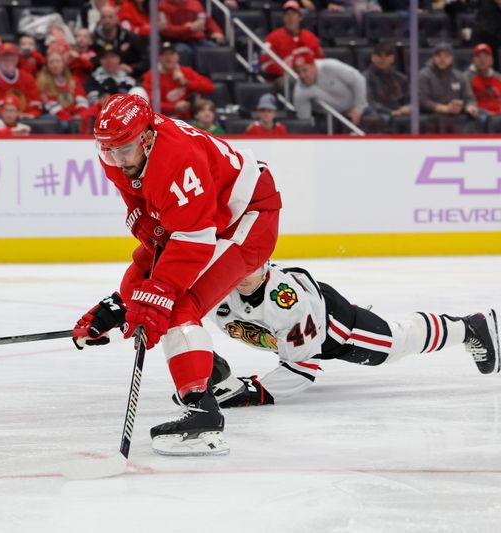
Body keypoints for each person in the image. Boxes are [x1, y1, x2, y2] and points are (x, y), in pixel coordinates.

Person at [73, 94, 282, 456]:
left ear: (147, 137)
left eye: (123, 150)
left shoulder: (177, 158)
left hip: (246, 218)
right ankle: (213, 374)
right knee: (145, 289)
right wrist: (121, 305)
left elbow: (192, 243)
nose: (117, 161)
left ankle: (202, 415)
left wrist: (153, 300)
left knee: (175, 306)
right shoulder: (120, 152)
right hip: (202, 219)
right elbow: (144, 211)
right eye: (108, 151)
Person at [199, 262, 499, 409]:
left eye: (251, 268)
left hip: (337, 329)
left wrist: (256, 391)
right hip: (308, 326)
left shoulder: (285, 301)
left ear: (265, 263)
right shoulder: (218, 287)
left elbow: (301, 368)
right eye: (238, 267)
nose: (242, 277)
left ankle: (470, 327)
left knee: (394, 343)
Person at [291, 49, 368, 127]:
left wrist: (358, 109)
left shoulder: (330, 66)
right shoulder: (300, 92)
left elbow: (359, 80)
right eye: (298, 72)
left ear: (314, 65)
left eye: (305, 70)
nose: (302, 75)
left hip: (358, 108)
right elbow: (305, 124)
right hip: (330, 118)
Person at [419, 42, 480, 134]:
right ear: (433, 58)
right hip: (432, 117)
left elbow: (469, 98)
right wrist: (445, 108)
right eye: (439, 56)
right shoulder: (424, 75)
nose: (442, 59)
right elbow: (423, 101)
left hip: (457, 117)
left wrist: (470, 106)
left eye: (446, 56)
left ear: (452, 58)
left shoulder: (460, 76)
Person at [142, 42, 213, 119]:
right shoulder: (151, 76)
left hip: (186, 120)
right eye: (164, 54)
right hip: (162, 119)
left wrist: (187, 83)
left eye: (172, 54)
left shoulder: (186, 71)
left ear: (177, 56)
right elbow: (151, 102)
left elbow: (209, 87)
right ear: (159, 58)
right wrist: (174, 107)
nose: (168, 57)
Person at [261, 1, 324, 79]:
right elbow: (265, 64)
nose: (290, 17)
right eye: (287, 14)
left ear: (300, 17)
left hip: (309, 77)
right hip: (284, 78)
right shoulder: (272, 38)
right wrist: (290, 71)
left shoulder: (311, 37)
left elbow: (320, 61)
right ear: (283, 18)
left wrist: (306, 71)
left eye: (294, 14)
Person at [0, 43, 43, 118]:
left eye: (11, 57)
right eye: (4, 57)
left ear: (17, 58)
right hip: (2, 119)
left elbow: (36, 103)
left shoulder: (27, 77)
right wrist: (13, 116)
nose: (8, 60)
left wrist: (31, 115)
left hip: (26, 118)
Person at [91, 5, 148, 78]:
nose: (107, 20)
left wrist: (133, 69)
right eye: (103, 17)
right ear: (100, 20)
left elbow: (146, 60)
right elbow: (92, 61)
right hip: (101, 77)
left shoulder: (130, 37)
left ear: (116, 19)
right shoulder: (94, 39)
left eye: (110, 17)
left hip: (130, 77)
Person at [37, 50, 89, 127]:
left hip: (75, 117)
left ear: (63, 64)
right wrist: (70, 120)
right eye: (51, 62)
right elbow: (51, 105)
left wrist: (79, 116)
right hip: (59, 120)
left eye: (58, 61)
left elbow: (81, 100)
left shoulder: (74, 81)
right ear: (47, 66)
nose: (55, 65)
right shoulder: (43, 84)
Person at [157, 0, 225, 59]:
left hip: (197, 40)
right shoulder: (163, 6)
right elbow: (166, 30)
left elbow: (208, 20)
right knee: (184, 51)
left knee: (212, 47)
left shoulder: (194, 3)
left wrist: (216, 31)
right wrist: (188, 28)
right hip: (176, 41)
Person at [362, 41, 409, 125]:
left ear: (392, 58)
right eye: (379, 56)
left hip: (400, 112)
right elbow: (369, 102)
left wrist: (409, 107)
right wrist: (391, 112)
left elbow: (409, 98)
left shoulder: (401, 78)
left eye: (387, 56)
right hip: (379, 114)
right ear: (373, 57)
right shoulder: (364, 77)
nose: (383, 59)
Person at [467, 43, 501, 116]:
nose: (482, 60)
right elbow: (468, 102)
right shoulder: (466, 78)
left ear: (492, 60)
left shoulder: (499, 77)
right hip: (480, 117)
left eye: (486, 56)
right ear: (473, 60)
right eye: (479, 57)